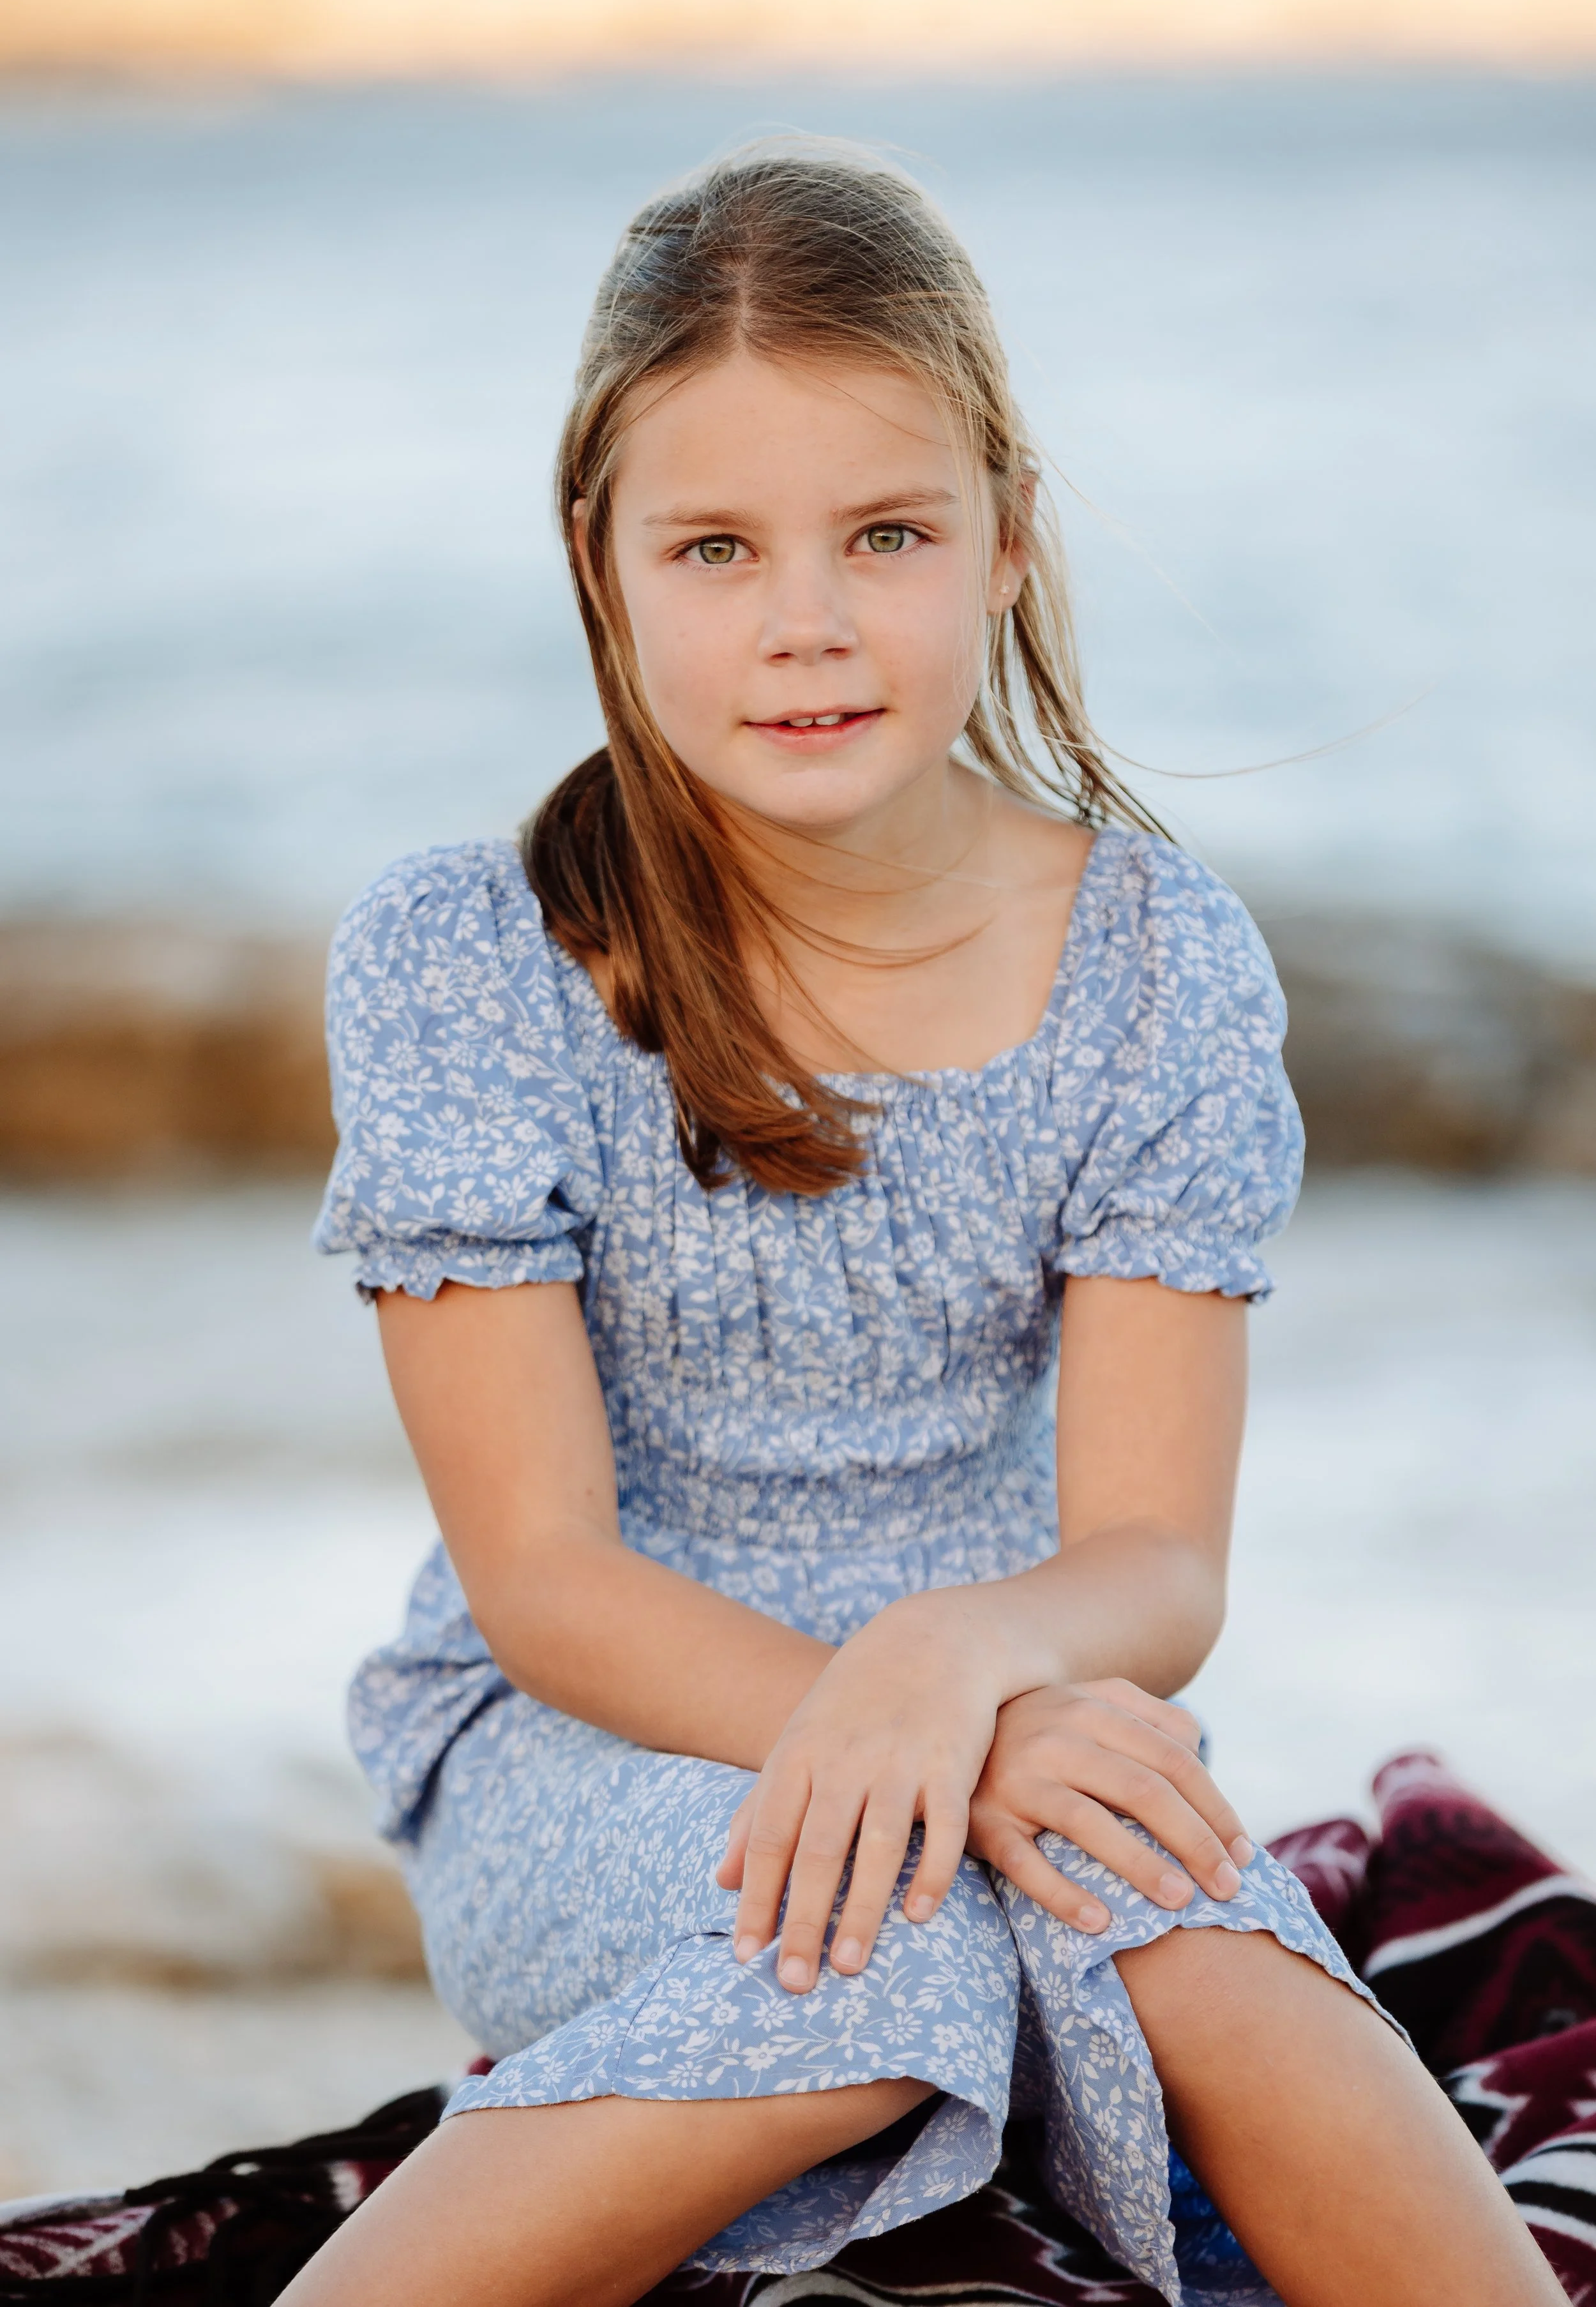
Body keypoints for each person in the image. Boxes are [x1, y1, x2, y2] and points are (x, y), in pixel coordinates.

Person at [288, 147, 1560, 2307]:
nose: (807, 618)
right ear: (601, 569)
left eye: (886, 533)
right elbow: (547, 1577)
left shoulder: (1153, 957)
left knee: (1218, 1953)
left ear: (1002, 539)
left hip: (1015, 1689)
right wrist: (906, 1727)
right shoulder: (461, 956)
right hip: (594, 1724)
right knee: (876, 1968)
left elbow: (1154, 1560)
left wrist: (958, 1671)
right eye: (715, 547)